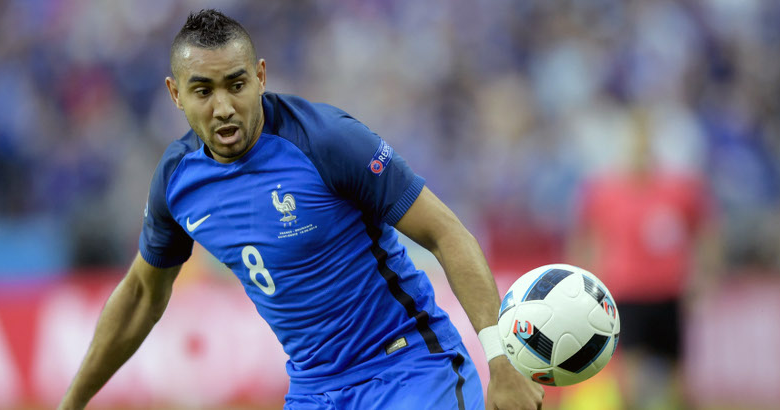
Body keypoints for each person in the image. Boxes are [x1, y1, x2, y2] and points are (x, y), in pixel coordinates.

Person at [58, 9, 544, 410]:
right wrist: (72, 403)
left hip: (408, 370)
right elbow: (143, 295)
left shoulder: (327, 141)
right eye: (204, 91)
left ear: (261, 76)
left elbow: (446, 233)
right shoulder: (177, 181)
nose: (224, 106)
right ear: (175, 94)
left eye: (237, 84)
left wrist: (499, 358)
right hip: (314, 391)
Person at [568, 110, 721, 409]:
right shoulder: (603, 190)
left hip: (668, 292)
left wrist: (706, 276)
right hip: (627, 293)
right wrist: (586, 282)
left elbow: (707, 230)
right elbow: (582, 235)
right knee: (629, 380)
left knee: (679, 382)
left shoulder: (679, 189)